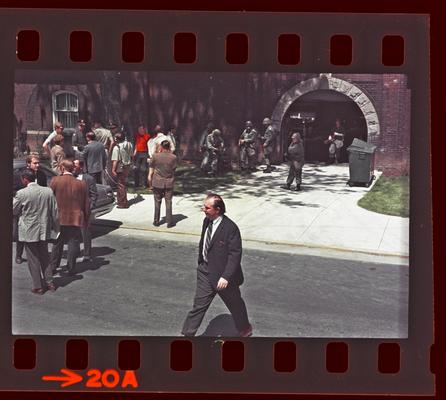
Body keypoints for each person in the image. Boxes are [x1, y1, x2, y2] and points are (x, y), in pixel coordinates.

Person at [181, 193, 252, 337]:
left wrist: (226, 277)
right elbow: (204, 243)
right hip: (205, 272)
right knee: (199, 306)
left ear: (217, 209)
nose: (203, 209)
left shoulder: (230, 228)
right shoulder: (207, 221)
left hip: (223, 277)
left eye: (207, 207)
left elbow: (235, 255)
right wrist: (201, 261)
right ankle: (187, 335)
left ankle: (245, 328)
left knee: (235, 304)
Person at [13, 169, 59, 294]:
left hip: (29, 231)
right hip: (44, 230)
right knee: (45, 256)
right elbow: (55, 212)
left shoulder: (21, 193)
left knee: (33, 259)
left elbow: (14, 210)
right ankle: (50, 283)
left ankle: (38, 285)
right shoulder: (48, 191)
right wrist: (57, 229)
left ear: (25, 179)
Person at [49, 159, 90, 275]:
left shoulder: (55, 181)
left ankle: (53, 267)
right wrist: (86, 219)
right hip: (75, 218)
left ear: (62, 168)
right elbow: (86, 203)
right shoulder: (81, 184)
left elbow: (50, 199)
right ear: (73, 169)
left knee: (57, 243)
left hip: (59, 217)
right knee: (73, 242)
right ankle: (71, 267)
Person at [13, 155, 48, 264]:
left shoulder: (41, 175)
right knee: (21, 231)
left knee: (37, 229)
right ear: (28, 164)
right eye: (35, 163)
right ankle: (19, 255)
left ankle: (36, 254)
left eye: (38, 163)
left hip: (38, 207)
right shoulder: (20, 175)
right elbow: (13, 190)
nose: (37, 165)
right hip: (24, 206)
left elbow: (44, 188)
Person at [148, 140, 178, 228]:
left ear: (161, 147)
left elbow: (151, 166)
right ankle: (169, 222)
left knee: (157, 202)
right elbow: (174, 169)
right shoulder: (173, 157)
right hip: (169, 181)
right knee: (168, 202)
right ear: (169, 147)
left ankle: (156, 221)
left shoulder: (155, 156)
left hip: (157, 181)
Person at [73, 158, 98, 262]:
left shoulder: (88, 179)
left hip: (84, 209)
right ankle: (75, 252)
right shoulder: (70, 178)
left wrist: (89, 206)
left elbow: (94, 195)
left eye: (75, 165)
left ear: (81, 167)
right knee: (74, 233)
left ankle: (87, 254)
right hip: (72, 209)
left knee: (85, 232)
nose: (73, 167)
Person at [111, 132, 133, 208]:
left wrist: (113, 169)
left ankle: (123, 203)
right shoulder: (129, 144)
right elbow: (131, 155)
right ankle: (121, 200)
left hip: (120, 166)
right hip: (127, 165)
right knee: (122, 183)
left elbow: (115, 160)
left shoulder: (117, 147)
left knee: (120, 185)